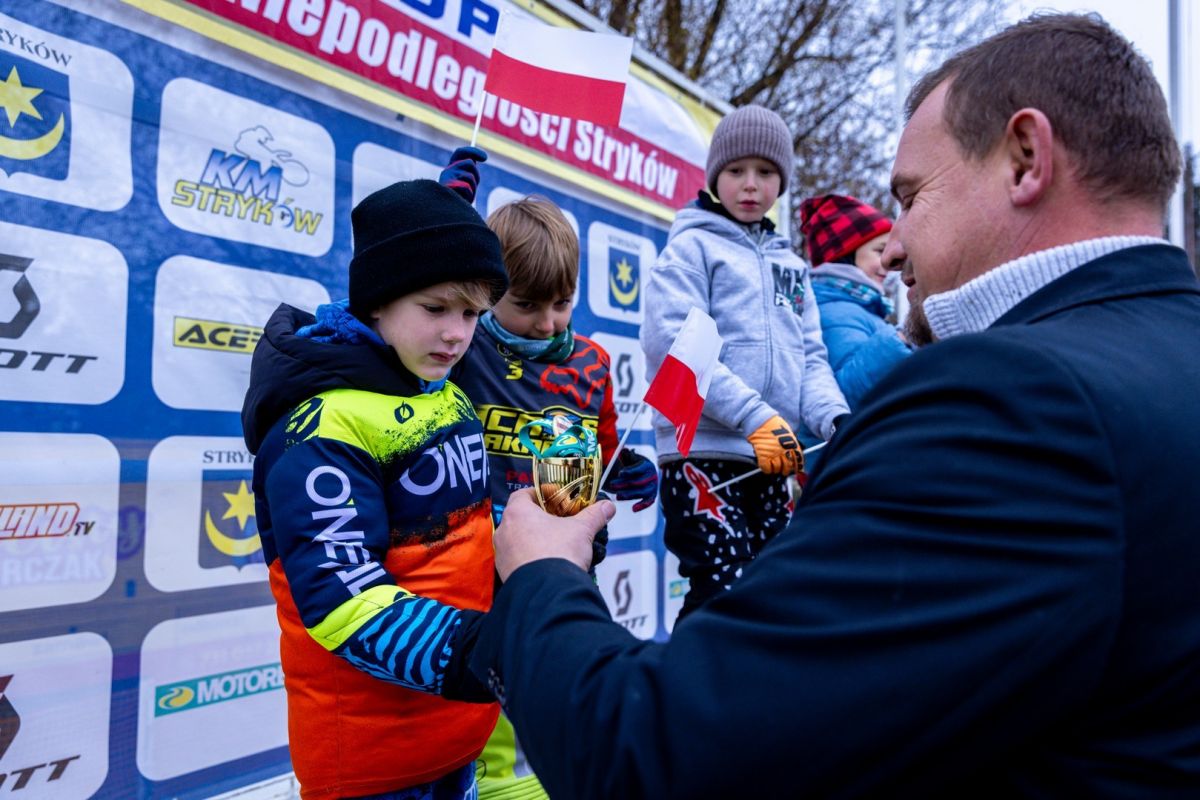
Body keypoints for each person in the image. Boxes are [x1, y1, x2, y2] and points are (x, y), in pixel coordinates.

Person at [465, 13, 1200, 798]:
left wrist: (542, 571)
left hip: (752, 481)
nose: (896, 245)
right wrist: (774, 421)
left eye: (911, 197)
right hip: (714, 453)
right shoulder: (1166, 351)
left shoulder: (1010, 400)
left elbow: (665, 753)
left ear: (1025, 158)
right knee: (718, 591)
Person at [241, 179, 506, 800]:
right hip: (370, 763)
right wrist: (494, 654)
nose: (457, 334)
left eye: (472, 314)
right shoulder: (323, 425)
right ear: (377, 302)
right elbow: (343, 598)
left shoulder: (446, 394)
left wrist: (550, 553)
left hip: (458, 735)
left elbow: (472, 541)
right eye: (436, 309)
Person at [447, 187, 659, 798]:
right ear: (488, 290)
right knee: (482, 693)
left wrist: (624, 467)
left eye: (562, 303)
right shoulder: (463, 346)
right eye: (527, 305)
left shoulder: (591, 362)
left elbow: (602, 440)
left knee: (560, 681)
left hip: (565, 558)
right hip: (476, 561)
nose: (547, 323)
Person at [641, 105, 849, 617]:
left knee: (771, 596)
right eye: (736, 170)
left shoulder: (792, 266)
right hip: (701, 455)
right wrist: (754, 417)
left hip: (773, 458)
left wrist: (836, 419)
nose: (751, 184)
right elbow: (676, 345)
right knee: (725, 594)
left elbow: (812, 358)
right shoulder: (692, 248)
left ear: (783, 180)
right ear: (715, 175)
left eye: (766, 171)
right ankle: (686, 672)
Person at [799, 193, 911, 411]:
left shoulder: (859, 307)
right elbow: (844, 394)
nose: (888, 262)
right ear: (846, 252)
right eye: (880, 250)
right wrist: (901, 339)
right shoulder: (834, 310)